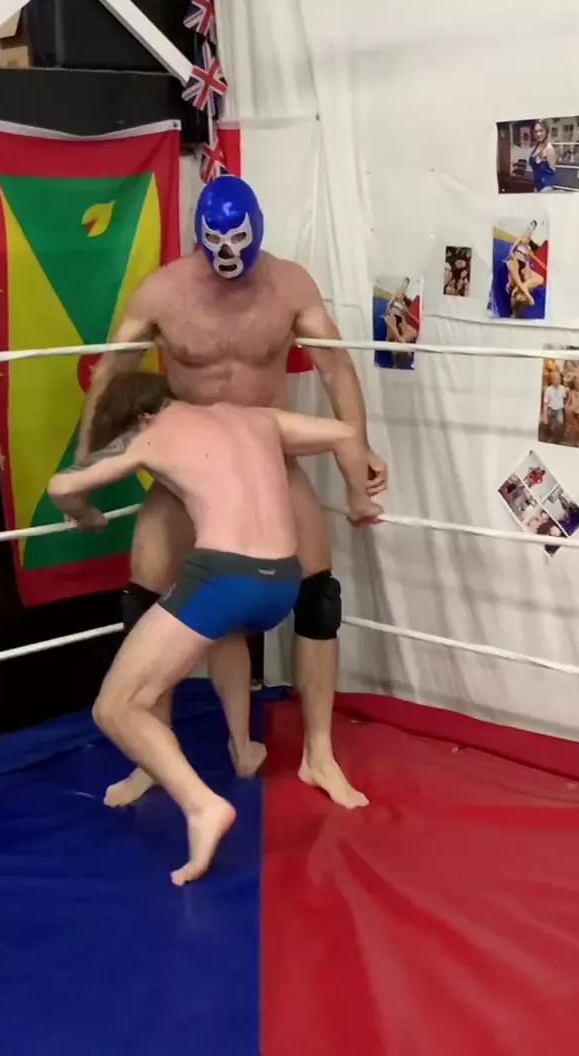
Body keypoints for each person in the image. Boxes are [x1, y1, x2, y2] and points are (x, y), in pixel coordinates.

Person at [75, 174, 388, 812]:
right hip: (185, 465)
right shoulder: (163, 291)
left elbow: (335, 367)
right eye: (216, 244)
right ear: (200, 237)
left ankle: (319, 753)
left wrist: (360, 449)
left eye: (238, 243)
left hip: (266, 455)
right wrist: (88, 455)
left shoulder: (289, 285)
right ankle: (151, 757)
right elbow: (112, 371)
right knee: (144, 593)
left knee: (318, 594)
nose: (227, 256)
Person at [48, 372, 383, 885]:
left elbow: (62, 486)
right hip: (283, 581)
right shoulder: (256, 418)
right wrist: (360, 496)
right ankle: (244, 748)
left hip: (225, 578)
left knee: (114, 707)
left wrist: (88, 516)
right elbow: (343, 433)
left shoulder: (152, 434)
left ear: (141, 417)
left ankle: (201, 805)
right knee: (222, 629)